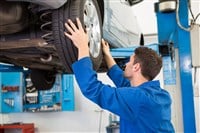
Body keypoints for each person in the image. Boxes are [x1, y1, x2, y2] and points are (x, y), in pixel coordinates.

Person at [64, 18, 175, 133]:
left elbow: (92, 88)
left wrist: (82, 47)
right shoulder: (161, 95)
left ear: (136, 67)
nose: (126, 64)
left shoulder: (138, 98)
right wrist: (107, 54)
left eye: (130, 61)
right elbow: (124, 82)